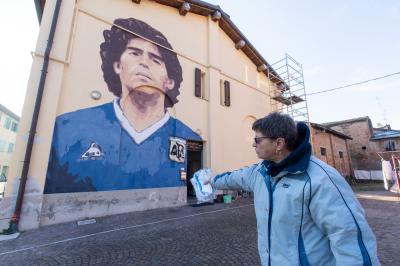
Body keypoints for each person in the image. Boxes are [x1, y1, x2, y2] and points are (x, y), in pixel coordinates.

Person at [44, 17, 201, 193]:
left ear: (170, 81)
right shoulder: (67, 128)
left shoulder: (188, 135)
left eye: (155, 59)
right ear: (118, 65)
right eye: (135, 53)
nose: (144, 62)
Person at [205, 112, 379, 265]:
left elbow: (350, 241)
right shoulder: (260, 172)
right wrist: (210, 181)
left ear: (279, 143)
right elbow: (232, 178)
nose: (253, 144)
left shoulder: (320, 179)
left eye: (258, 140)